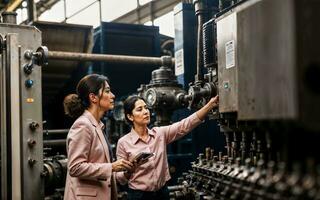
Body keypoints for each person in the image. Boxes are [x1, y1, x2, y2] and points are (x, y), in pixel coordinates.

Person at [116, 94, 219, 200]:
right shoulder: (123, 143)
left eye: (146, 108)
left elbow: (184, 125)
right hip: (139, 196)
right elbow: (119, 178)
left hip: (162, 193)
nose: (146, 112)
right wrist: (129, 171)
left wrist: (210, 105)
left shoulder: (159, 134)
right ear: (130, 116)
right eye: (139, 109)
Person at [63, 74, 134, 200]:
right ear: (93, 97)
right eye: (107, 91)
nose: (113, 95)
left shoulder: (97, 125)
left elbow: (102, 170)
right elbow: (75, 167)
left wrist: (125, 171)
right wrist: (112, 166)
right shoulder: (83, 125)